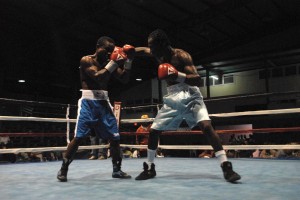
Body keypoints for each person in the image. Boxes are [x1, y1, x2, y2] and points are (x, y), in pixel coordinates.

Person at [134, 29, 241, 183]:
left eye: (153, 46)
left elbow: (197, 79)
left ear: (163, 44)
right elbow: (143, 51)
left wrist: (177, 75)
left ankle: (226, 166)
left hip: (190, 93)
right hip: (172, 96)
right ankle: (150, 168)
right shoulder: (157, 53)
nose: (151, 50)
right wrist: (128, 51)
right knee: (153, 131)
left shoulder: (181, 56)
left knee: (206, 126)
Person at [57, 36, 134, 182]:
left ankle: (117, 170)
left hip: (104, 102)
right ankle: (64, 168)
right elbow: (98, 77)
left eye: (111, 51)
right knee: (79, 137)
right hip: (88, 102)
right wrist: (113, 62)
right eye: (106, 50)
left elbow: (124, 79)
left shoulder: (108, 62)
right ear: (98, 46)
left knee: (115, 138)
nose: (109, 53)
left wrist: (129, 61)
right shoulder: (86, 60)